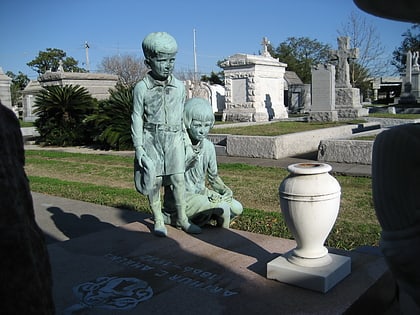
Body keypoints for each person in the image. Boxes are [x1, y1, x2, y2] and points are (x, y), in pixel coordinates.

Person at [131, 32, 201, 237]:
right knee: (155, 181)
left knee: (179, 180)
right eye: (162, 60)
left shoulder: (179, 87)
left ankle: (182, 219)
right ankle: (159, 219)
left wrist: (187, 144)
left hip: (174, 139)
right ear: (148, 61)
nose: (168, 65)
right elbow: (136, 117)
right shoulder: (141, 88)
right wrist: (139, 149)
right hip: (151, 139)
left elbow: (181, 120)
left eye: (172, 60)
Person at [163, 97, 243, 228]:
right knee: (222, 207)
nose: (202, 130)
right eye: (198, 125)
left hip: (200, 192)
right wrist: (186, 161)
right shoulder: (177, 146)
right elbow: (167, 180)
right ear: (187, 123)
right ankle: (173, 216)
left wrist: (225, 190)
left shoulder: (208, 147)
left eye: (206, 125)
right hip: (180, 197)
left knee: (236, 208)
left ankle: (202, 217)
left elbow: (213, 177)